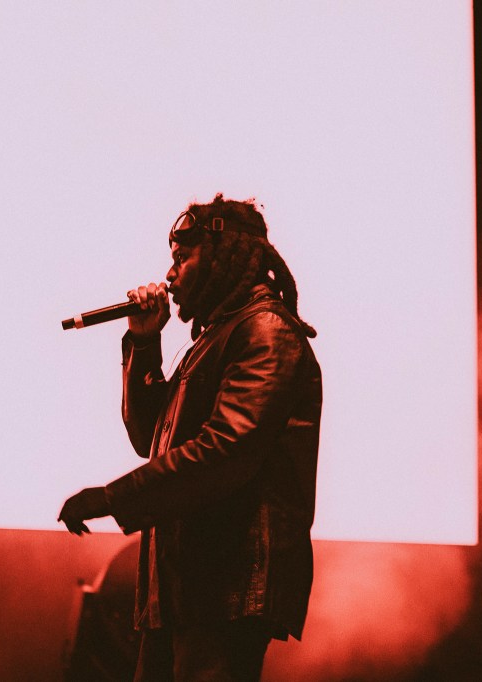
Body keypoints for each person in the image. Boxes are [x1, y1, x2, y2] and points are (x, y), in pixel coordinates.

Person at [58, 194, 322, 682]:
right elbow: (149, 438)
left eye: (182, 258)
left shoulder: (265, 331)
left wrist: (112, 498)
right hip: (187, 587)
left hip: (227, 588)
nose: (169, 274)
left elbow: (225, 451)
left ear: (223, 257)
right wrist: (144, 340)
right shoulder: (214, 338)